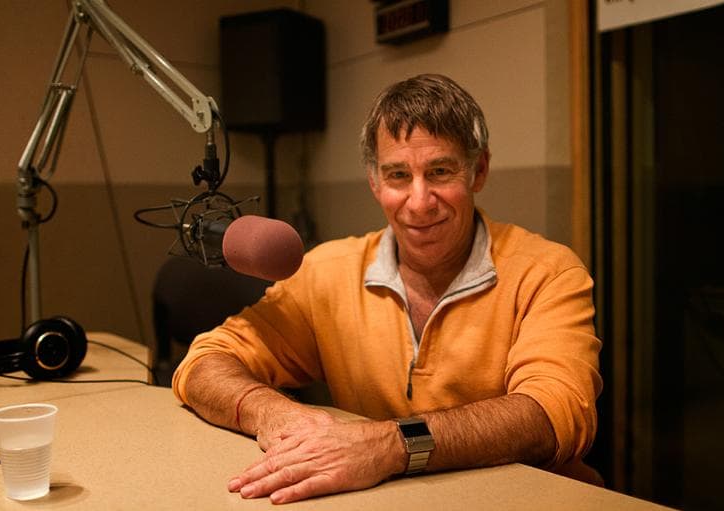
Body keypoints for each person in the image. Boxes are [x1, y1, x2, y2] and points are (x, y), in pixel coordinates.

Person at [172, 74, 602, 504]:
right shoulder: (327, 272)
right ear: (375, 183)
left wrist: (390, 446)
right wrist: (277, 415)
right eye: (398, 175)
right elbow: (205, 362)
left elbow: (555, 412)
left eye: (440, 171)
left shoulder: (547, 271)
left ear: (479, 171)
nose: (419, 201)